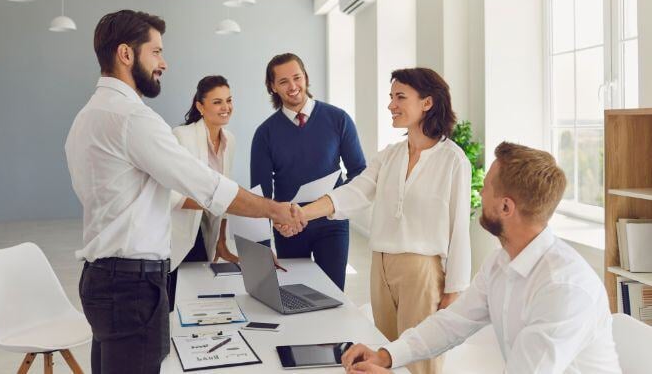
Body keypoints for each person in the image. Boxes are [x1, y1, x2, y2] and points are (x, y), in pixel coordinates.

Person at [65, 10, 305, 374]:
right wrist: (275, 210)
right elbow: (207, 186)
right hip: (131, 285)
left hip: (102, 278)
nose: (164, 62)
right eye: (156, 52)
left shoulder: (87, 116)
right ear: (126, 54)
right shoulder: (134, 119)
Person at [340, 142, 622, 374]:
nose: (480, 192)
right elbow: (451, 324)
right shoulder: (501, 262)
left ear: (506, 207)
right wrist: (386, 355)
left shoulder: (564, 289)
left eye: (486, 186)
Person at [296, 67, 472, 374]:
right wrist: (302, 213)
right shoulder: (390, 155)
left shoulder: (453, 160)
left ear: (427, 103)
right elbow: (355, 192)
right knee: (387, 354)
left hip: (421, 270)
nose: (391, 104)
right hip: (381, 266)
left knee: (421, 361)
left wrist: (454, 289)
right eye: (391, 97)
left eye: (400, 97)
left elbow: (460, 229)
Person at [250, 53, 366, 291]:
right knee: (296, 294)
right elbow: (260, 195)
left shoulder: (338, 119)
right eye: (283, 81)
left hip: (332, 224)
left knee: (333, 295)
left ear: (306, 78)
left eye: (297, 77)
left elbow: (358, 173)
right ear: (272, 87)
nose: (293, 86)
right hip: (289, 228)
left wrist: (335, 203)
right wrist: (262, 247)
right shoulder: (265, 134)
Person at [167, 75, 238, 311]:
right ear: (200, 105)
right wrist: (215, 203)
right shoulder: (182, 136)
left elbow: (226, 188)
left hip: (206, 228)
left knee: (197, 296)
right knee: (176, 296)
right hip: (180, 229)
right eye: (217, 102)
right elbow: (171, 194)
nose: (225, 107)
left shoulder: (230, 140)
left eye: (229, 100)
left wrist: (222, 241)